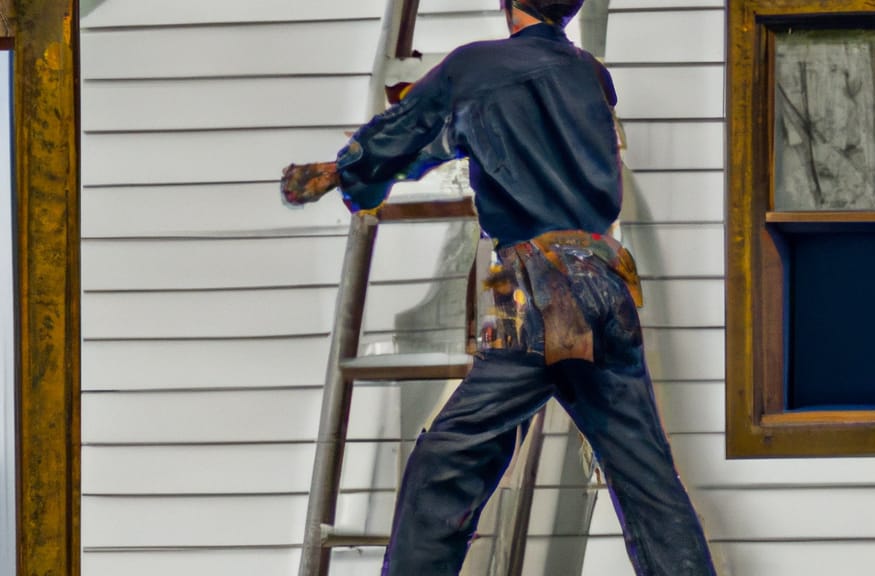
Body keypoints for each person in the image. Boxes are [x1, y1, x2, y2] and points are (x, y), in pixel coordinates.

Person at [281, 1, 717, 574]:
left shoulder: (476, 67)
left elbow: (411, 129)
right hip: (608, 283)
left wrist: (351, 173)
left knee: (446, 463)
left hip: (543, 290)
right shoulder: (589, 73)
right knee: (647, 478)